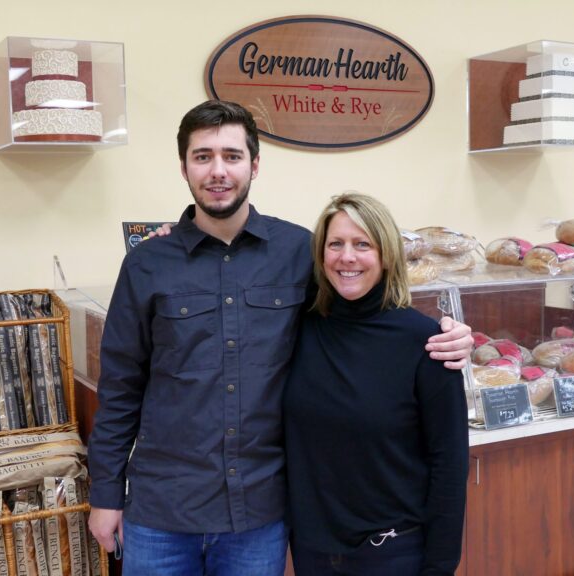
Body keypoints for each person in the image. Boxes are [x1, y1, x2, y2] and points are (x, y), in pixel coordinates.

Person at [87, 100, 472, 575]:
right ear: (184, 168)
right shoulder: (148, 263)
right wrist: (106, 493)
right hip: (162, 511)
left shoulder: (298, 251)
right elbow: (120, 388)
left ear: (254, 164)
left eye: (232, 156)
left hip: (259, 514)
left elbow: (360, 309)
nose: (218, 170)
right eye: (203, 156)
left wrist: (449, 333)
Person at [284, 193, 468, 575]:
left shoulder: (427, 343)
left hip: (392, 553)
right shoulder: (299, 326)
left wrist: (440, 567)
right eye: (336, 244)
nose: (347, 257)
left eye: (362, 244)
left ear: (386, 255)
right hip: (313, 553)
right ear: (321, 255)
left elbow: (449, 464)